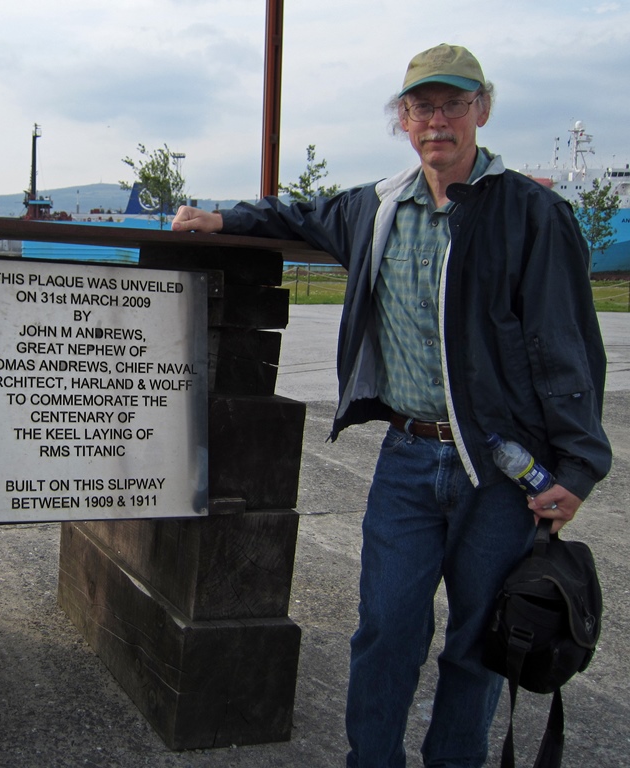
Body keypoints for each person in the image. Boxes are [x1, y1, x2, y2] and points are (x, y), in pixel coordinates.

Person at [172, 43, 611, 767]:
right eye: (421, 107)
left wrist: (578, 465)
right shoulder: (376, 209)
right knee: (384, 629)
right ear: (403, 120)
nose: (437, 121)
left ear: (482, 110)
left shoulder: (534, 214)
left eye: (453, 105)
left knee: (476, 643)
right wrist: (219, 221)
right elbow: (299, 215)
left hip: (500, 471)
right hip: (407, 460)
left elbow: (565, 346)